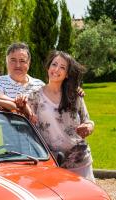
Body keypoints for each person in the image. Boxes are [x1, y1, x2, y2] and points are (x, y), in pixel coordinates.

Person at [26, 50, 95, 182]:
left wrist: (89, 126)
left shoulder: (75, 95)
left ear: (67, 74)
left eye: (62, 67)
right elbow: (29, 127)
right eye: (54, 64)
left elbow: (88, 120)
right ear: (48, 67)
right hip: (52, 162)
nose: (56, 69)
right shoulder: (34, 97)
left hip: (79, 159)